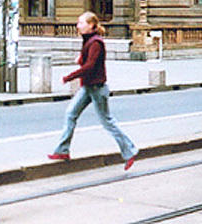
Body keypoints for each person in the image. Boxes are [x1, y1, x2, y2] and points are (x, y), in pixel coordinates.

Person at [48, 11, 138, 171]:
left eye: (81, 23)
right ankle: (62, 151)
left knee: (108, 122)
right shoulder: (89, 41)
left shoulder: (96, 42)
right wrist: (80, 60)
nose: (78, 26)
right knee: (70, 114)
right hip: (88, 87)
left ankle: (130, 151)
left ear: (90, 25)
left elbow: (90, 66)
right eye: (78, 23)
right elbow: (89, 62)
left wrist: (69, 77)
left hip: (97, 88)